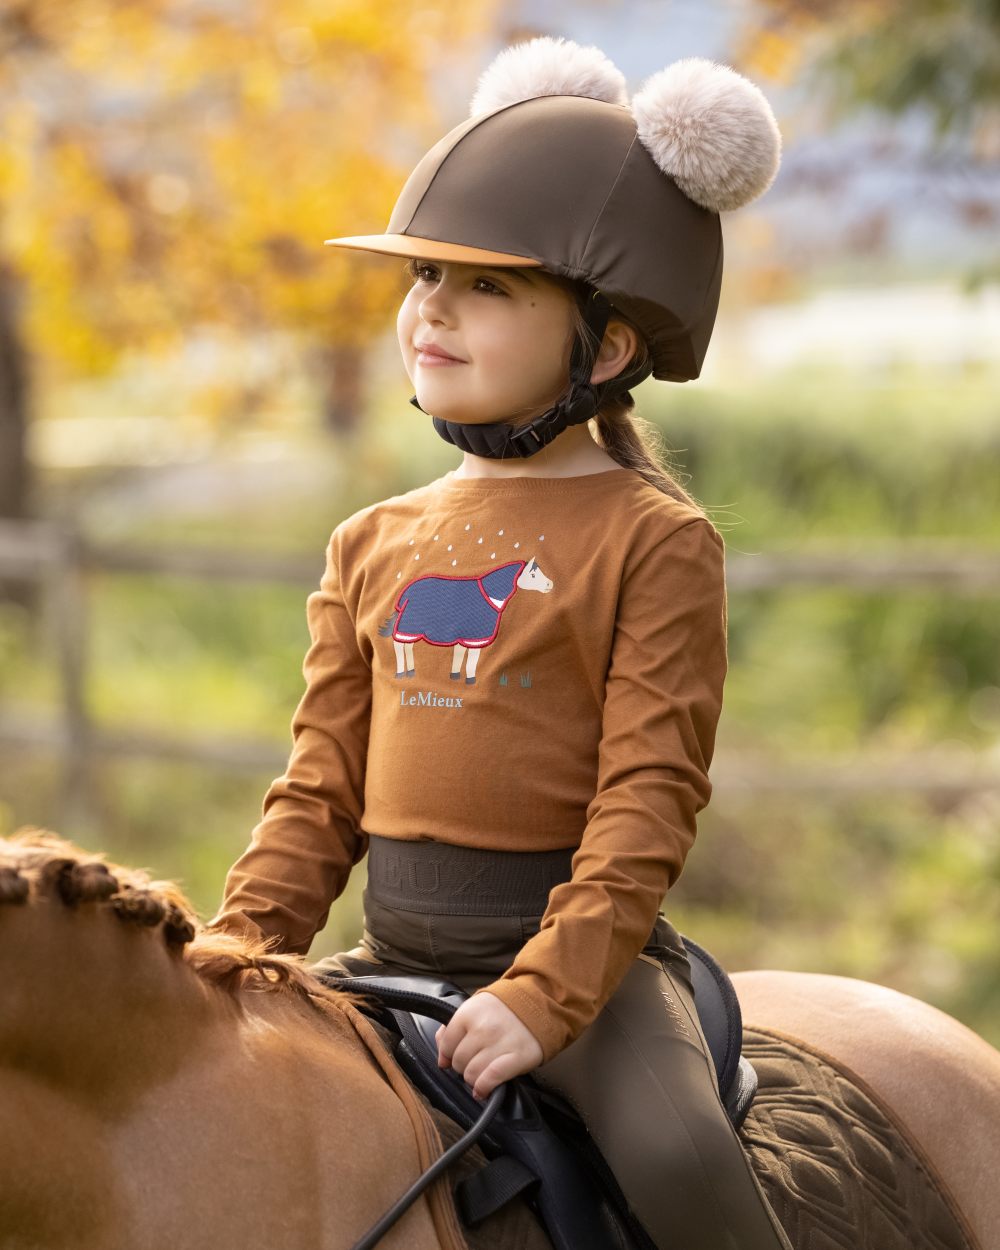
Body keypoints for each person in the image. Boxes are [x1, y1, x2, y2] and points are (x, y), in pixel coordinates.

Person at [206, 35, 792, 1250]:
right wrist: (241, 945)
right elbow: (319, 787)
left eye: (489, 286)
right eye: (428, 274)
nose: (432, 307)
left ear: (609, 345)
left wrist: (545, 993)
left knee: (680, 1157)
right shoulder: (371, 537)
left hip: (586, 972)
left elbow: (647, 799)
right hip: (391, 950)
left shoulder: (655, 540)